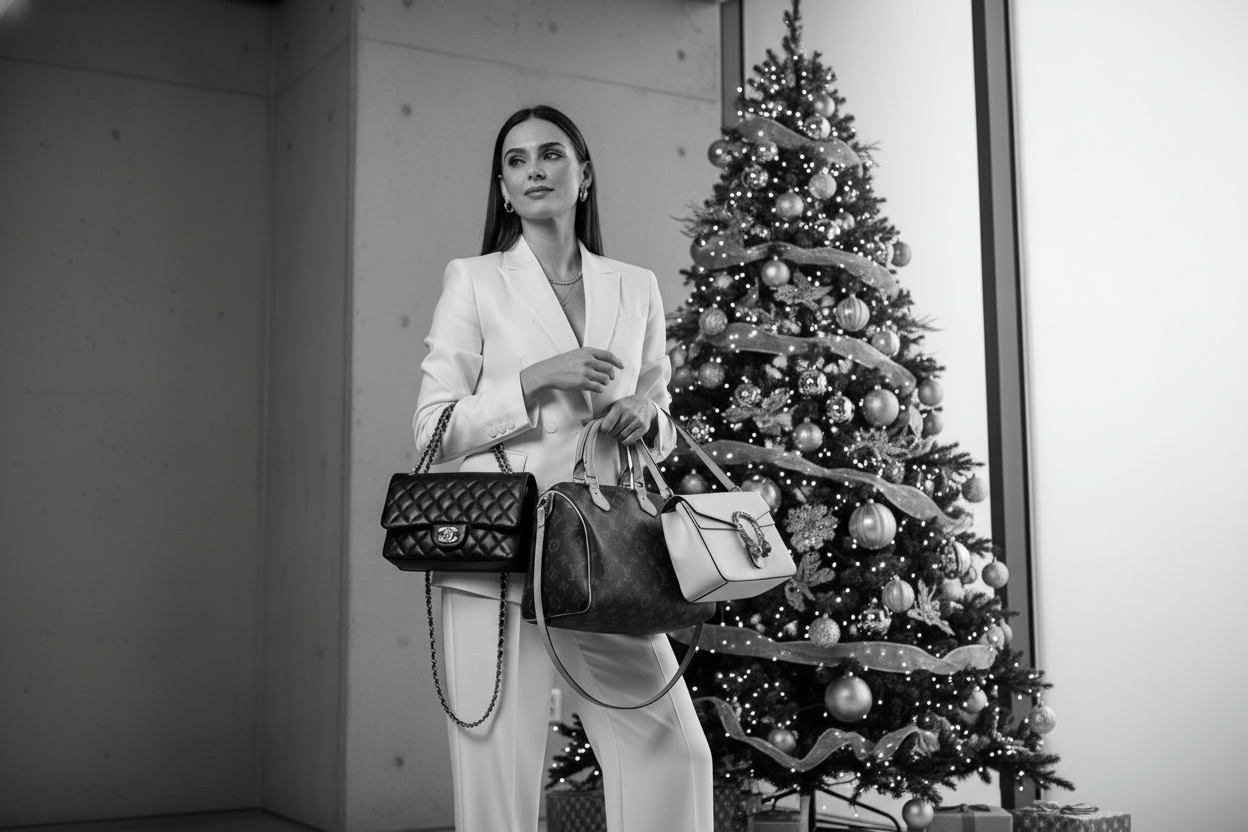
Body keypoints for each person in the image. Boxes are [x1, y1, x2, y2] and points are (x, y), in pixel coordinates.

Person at [412, 105, 713, 832]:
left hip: (604, 554)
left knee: (673, 752)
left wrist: (649, 419)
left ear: (584, 176)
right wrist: (533, 380)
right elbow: (431, 430)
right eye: (517, 161)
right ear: (504, 187)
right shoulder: (475, 281)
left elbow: (659, 423)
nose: (535, 169)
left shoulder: (635, 286)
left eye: (551, 155)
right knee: (499, 784)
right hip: (500, 559)